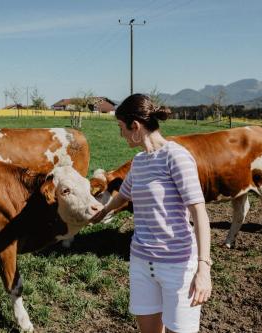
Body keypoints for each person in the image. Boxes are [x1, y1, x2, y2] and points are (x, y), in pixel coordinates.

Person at [91, 94, 212, 333]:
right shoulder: (139, 162)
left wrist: (204, 268)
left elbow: (199, 213)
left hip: (177, 266)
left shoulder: (176, 157)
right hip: (141, 263)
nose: (121, 134)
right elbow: (124, 196)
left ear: (135, 126)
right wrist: (102, 211)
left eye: (121, 128)